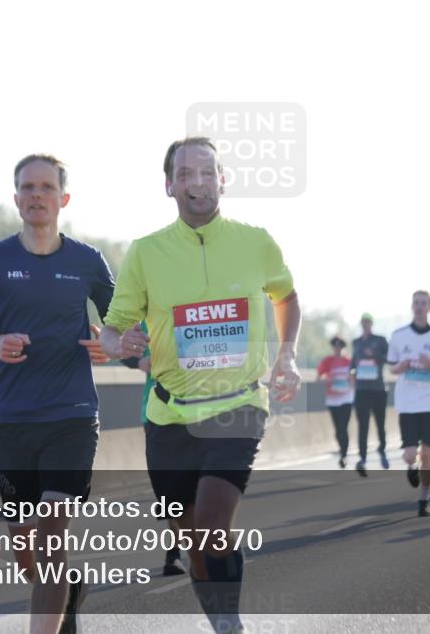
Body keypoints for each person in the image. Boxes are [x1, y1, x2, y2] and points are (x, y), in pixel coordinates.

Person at [100, 137, 301, 633]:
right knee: (192, 540)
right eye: (186, 174)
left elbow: (287, 297)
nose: (198, 182)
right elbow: (110, 329)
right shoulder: (146, 253)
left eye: (208, 172)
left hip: (238, 408)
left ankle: (229, 624)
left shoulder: (255, 241)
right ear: (169, 186)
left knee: (212, 525)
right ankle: (221, 617)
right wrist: (117, 344)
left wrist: (287, 356)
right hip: (168, 416)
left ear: (223, 179)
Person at [0, 154, 113, 634]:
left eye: (46, 187)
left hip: (73, 417)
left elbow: (121, 324)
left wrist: (111, 343)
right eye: (28, 187)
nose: (37, 195)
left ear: (63, 199)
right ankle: (70, 589)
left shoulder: (87, 261)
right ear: (16, 198)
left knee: (49, 537)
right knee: (27, 552)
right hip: (14, 420)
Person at [121, 321, 186, 575]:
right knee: (168, 486)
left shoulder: (193, 312)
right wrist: (138, 363)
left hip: (199, 410)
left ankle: (184, 550)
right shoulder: (147, 320)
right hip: (155, 413)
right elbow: (124, 351)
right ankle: (174, 553)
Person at [387, 290, 430, 517]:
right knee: (410, 455)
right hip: (407, 403)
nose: (419, 306)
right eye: (416, 302)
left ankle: (424, 499)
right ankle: (412, 467)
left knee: (426, 454)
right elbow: (392, 369)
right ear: (411, 306)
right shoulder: (398, 335)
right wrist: (402, 366)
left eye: (423, 303)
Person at [350, 313, 390, 474]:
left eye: (368, 322)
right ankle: (363, 458)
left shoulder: (380, 340)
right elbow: (352, 364)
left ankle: (382, 448)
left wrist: (374, 356)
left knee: (380, 424)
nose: (365, 325)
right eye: (363, 322)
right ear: (361, 324)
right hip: (361, 389)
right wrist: (352, 374)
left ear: (371, 324)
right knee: (363, 425)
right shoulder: (356, 342)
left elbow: (389, 358)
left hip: (378, 389)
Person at [318, 336, 355, 468]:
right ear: (333, 347)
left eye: (340, 347)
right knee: (338, 429)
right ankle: (342, 450)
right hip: (332, 400)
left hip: (346, 399)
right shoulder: (327, 361)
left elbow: (355, 376)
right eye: (335, 347)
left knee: (343, 427)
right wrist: (326, 380)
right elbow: (319, 376)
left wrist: (352, 379)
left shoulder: (349, 361)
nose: (337, 349)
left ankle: (343, 455)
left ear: (343, 348)